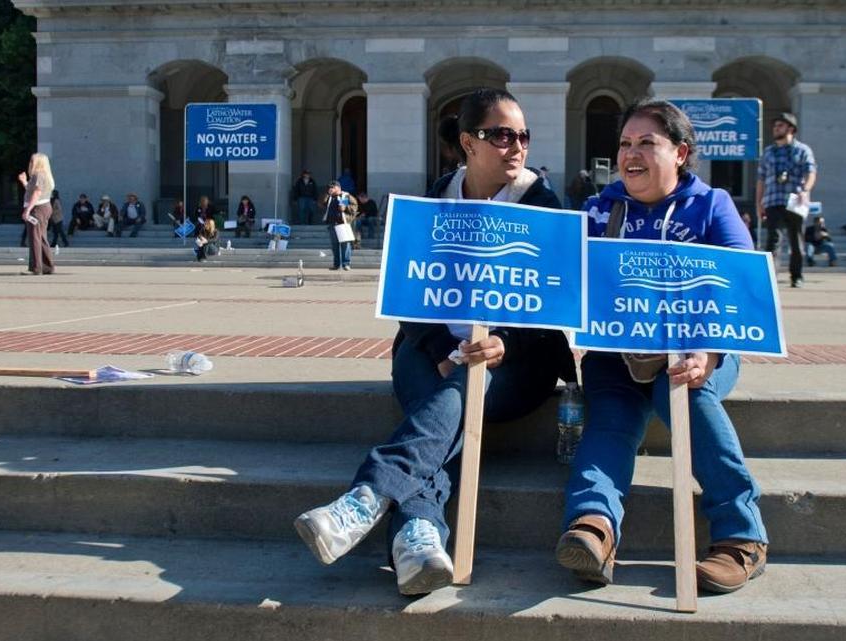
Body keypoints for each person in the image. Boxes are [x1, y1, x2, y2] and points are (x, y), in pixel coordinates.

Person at [294, 88, 577, 597]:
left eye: (524, 136)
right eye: (503, 136)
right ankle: (418, 544)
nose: (517, 147)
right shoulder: (435, 195)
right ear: (469, 142)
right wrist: (439, 352)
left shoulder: (541, 200)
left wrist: (505, 344)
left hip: (516, 365)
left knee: (461, 388)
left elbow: (553, 305)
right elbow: (412, 292)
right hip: (428, 351)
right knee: (449, 391)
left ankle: (368, 497)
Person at [556, 99, 767, 595]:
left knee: (690, 397)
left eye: (647, 142)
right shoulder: (598, 209)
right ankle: (593, 526)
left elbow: (740, 280)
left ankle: (741, 535)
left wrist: (708, 353)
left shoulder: (712, 204)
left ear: (681, 153)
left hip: (698, 349)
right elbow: (565, 280)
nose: (631, 153)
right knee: (608, 419)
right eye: (625, 143)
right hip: (615, 352)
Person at [756, 113, 817, 288]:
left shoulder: (802, 150)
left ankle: (796, 276)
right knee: (772, 240)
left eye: (780, 126)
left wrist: (806, 190)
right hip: (773, 199)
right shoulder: (768, 152)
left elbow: (811, 172)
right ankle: (769, 278)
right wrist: (758, 202)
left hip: (795, 199)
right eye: (775, 126)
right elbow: (761, 179)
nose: (776, 129)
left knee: (796, 240)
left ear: (791, 129)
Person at [18, 152, 56, 275]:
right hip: (44, 207)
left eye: (32, 161)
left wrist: (28, 210)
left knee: (34, 237)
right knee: (41, 237)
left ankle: (36, 268)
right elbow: (31, 190)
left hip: (37, 209)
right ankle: (47, 266)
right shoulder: (45, 175)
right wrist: (24, 182)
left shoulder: (38, 174)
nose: (30, 163)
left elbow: (36, 193)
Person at [322, 180, 357, 270]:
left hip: (342, 224)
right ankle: (336, 264)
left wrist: (346, 207)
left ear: (338, 188)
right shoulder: (330, 197)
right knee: (335, 245)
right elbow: (322, 204)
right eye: (330, 188)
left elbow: (353, 207)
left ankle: (346, 264)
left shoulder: (344, 196)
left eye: (332, 187)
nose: (330, 189)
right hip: (332, 224)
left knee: (345, 244)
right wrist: (327, 194)